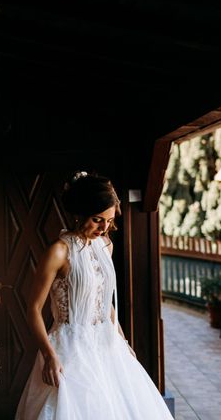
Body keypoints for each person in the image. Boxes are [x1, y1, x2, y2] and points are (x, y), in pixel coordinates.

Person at [15, 171, 173, 419]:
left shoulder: (105, 246)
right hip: (70, 347)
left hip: (106, 344)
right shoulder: (59, 252)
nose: (105, 228)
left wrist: (122, 340)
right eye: (98, 220)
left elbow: (102, 301)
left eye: (109, 221)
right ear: (80, 213)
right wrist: (49, 355)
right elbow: (33, 308)